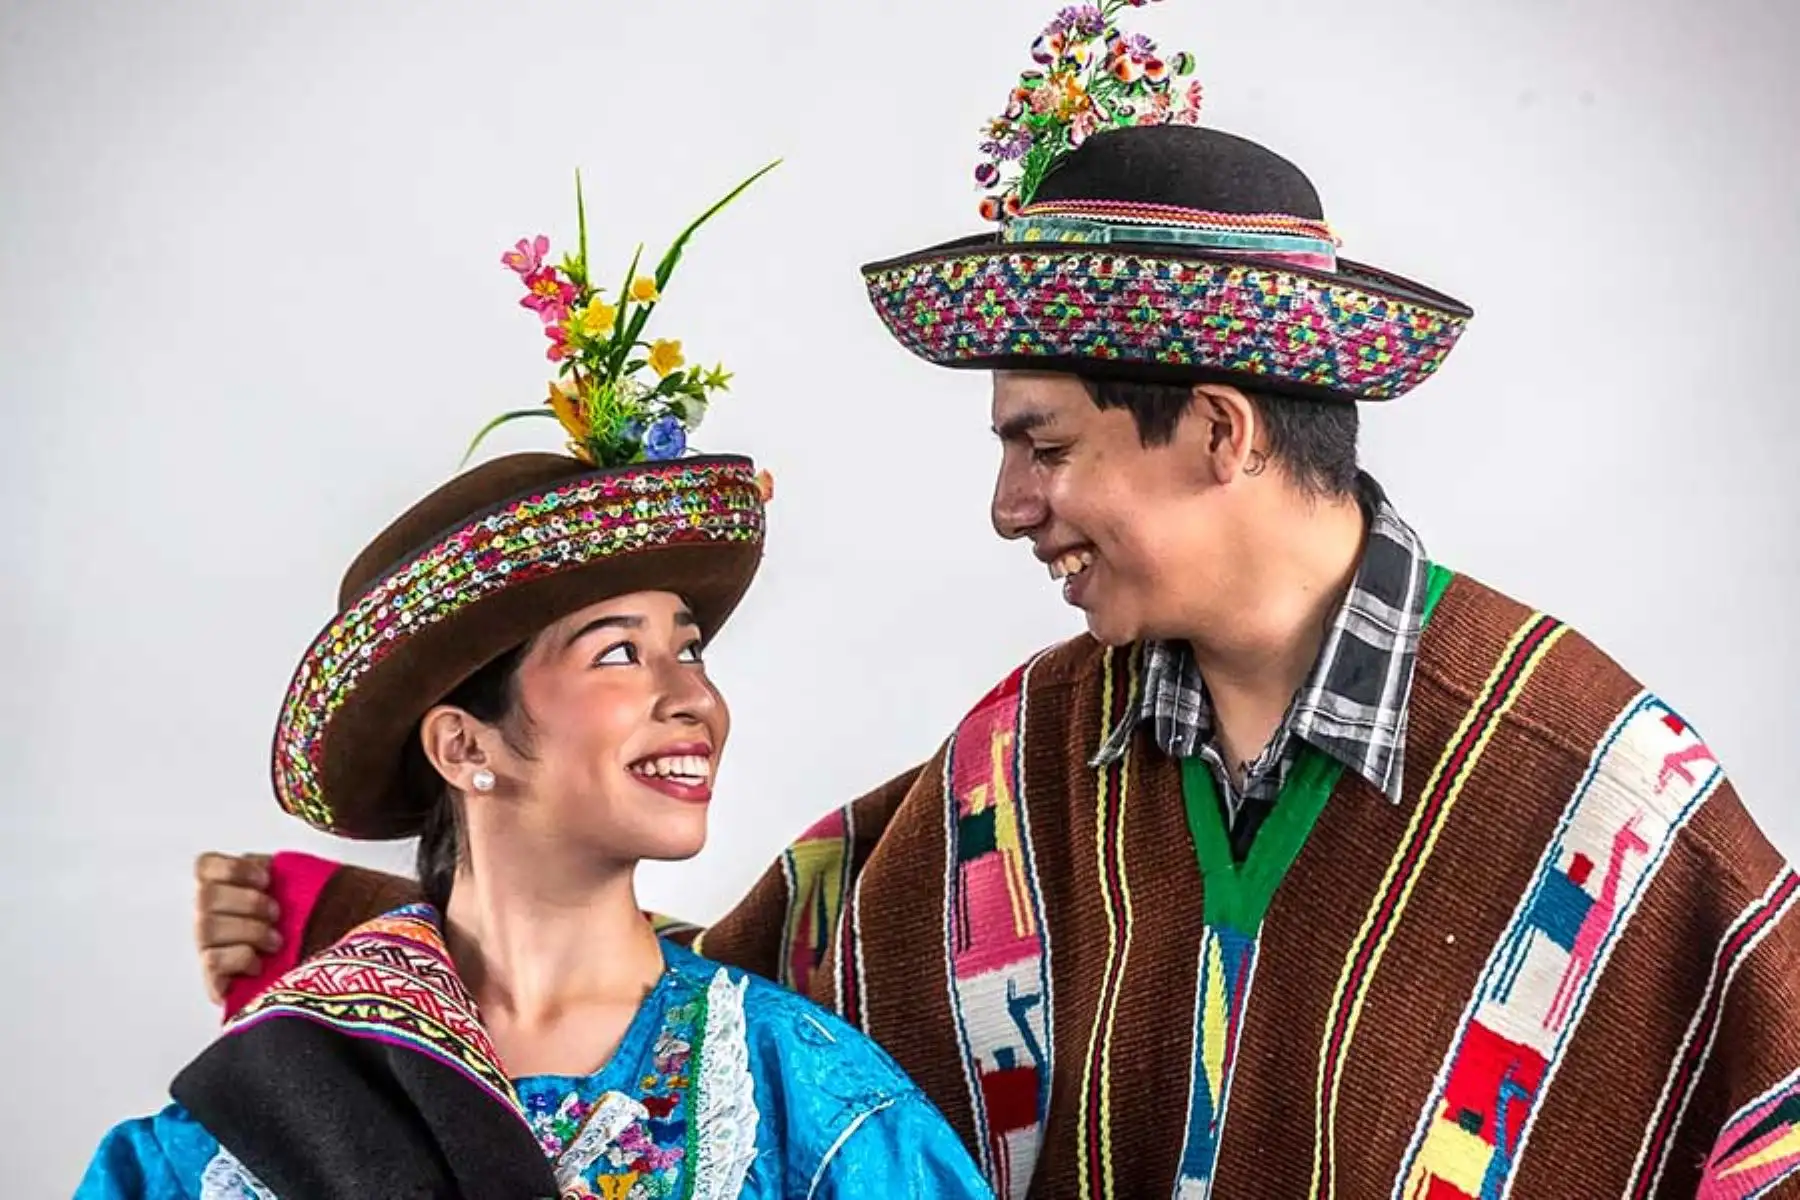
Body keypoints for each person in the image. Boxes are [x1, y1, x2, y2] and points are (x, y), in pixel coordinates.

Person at [181, 4, 1800, 1197]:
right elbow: (733, 1023)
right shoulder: (1025, 766)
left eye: (1044, 448)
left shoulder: (1599, 798)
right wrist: (392, 936)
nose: (1009, 508)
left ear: (1221, 432)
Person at [77, 168, 993, 1199]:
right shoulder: (264, 1109)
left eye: (687, 648)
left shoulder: (802, 1102)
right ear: (463, 744)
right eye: (618, 652)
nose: (693, 698)